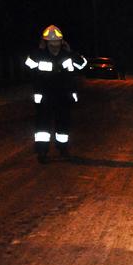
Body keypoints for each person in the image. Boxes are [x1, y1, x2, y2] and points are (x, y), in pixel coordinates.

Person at [24, 25, 87, 163]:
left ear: (62, 42)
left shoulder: (67, 55)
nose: (54, 45)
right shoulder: (39, 55)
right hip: (45, 97)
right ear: (45, 42)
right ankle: (42, 152)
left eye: (57, 42)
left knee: (63, 125)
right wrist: (39, 50)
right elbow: (27, 65)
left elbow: (82, 64)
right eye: (51, 42)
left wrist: (71, 52)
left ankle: (62, 149)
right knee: (42, 127)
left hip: (63, 96)